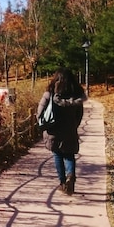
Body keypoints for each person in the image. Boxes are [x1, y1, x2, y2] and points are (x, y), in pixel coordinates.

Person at [37, 67, 87, 195]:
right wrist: (74, 125)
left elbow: (40, 113)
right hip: (69, 130)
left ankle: (63, 182)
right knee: (69, 155)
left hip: (53, 130)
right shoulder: (76, 96)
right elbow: (79, 114)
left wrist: (43, 124)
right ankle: (71, 175)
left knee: (57, 154)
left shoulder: (50, 93)